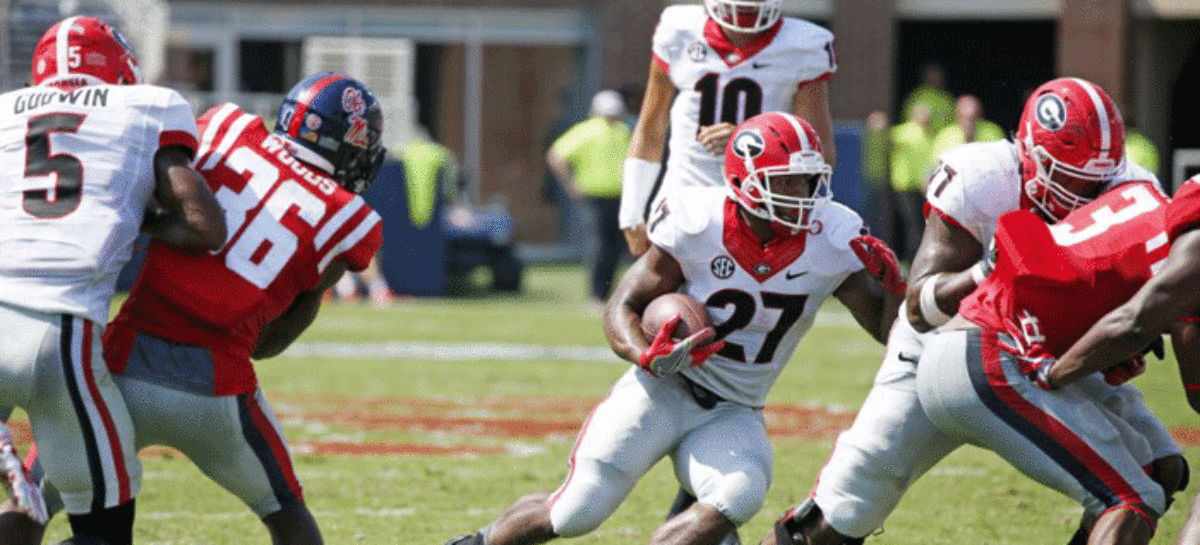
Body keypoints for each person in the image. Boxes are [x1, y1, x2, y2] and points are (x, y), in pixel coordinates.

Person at [445, 112, 905, 545]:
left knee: (739, 493)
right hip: (661, 388)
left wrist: (895, 289)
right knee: (575, 511)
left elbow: (891, 335)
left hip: (735, 408)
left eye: (808, 179)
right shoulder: (698, 221)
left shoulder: (834, 238)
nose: (802, 192)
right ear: (745, 182)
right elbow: (622, 305)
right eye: (786, 180)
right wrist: (645, 353)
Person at [761, 77, 1184, 545]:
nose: (1085, 192)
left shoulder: (1132, 186)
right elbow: (919, 307)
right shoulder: (983, 177)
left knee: (1158, 469)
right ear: (1029, 155)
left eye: (1098, 179)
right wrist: (990, 271)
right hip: (944, 344)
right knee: (836, 519)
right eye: (1069, 176)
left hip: (1051, 346)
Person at [2, 72, 387, 545]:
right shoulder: (351, 218)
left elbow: (160, 179)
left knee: (31, 506)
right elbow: (274, 341)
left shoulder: (227, 126)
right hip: (219, 387)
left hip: (119, 367)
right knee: (285, 509)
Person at [0, 15, 227, 545]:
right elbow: (204, 226)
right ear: (119, 66)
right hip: (60, 333)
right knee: (104, 530)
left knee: (26, 509)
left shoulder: (4, 115)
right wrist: (133, 220)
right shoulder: (149, 106)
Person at [914, 179, 1178, 545]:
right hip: (991, 350)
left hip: (993, 347)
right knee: (1131, 499)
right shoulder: (1179, 249)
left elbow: (1086, 282)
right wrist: (1058, 372)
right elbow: (1130, 327)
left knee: (1162, 469)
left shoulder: (1143, 195)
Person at [618, 0, 837, 258]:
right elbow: (650, 128)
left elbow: (817, 152)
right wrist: (631, 212)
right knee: (658, 296)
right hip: (683, 198)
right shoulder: (679, 29)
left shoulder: (802, 44)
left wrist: (748, 142)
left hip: (761, 207)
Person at [546, 90, 632, 305]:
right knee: (601, 246)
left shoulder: (622, 131)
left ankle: (606, 293)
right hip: (595, 197)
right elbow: (556, 156)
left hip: (620, 196)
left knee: (615, 247)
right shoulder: (586, 131)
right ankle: (596, 294)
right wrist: (571, 185)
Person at [887, 103, 935, 262]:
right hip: (904, 187)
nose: (925, 117)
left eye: (927, 114)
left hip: (920, 188)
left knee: (917, 227)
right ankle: (908, 262)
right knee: (911, 227)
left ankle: (911, 261)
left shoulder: (929, 136)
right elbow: (887, 135)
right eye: (922, 114)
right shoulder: (905, 131)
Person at [927, 94, 1005, 163]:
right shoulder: (944, 137)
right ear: (957, 117)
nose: (969, 124)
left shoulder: (992, 133)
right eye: (964, 118)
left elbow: (1003, 161)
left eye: (973, 118)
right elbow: (935, 167)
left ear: (980, 116)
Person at [900, 62, 955, 136]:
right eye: (932, 74)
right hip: (920, 139)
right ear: (925, 76)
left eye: (937, 75)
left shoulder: (947, 99)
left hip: (942, 140)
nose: (934, 77)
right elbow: (908, 120)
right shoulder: (917, 96)